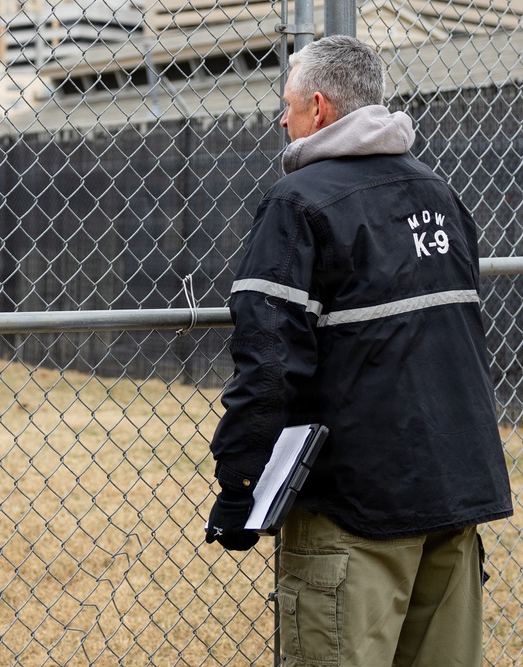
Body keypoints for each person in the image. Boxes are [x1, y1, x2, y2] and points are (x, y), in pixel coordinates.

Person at [204, 35, 512, 665]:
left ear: (316, 108)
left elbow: (266, 363)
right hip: (456, 492)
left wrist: (239, 485)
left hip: (356, 504)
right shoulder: (439, 194)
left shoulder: (297, 204)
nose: (281, 120)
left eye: (285, 105)